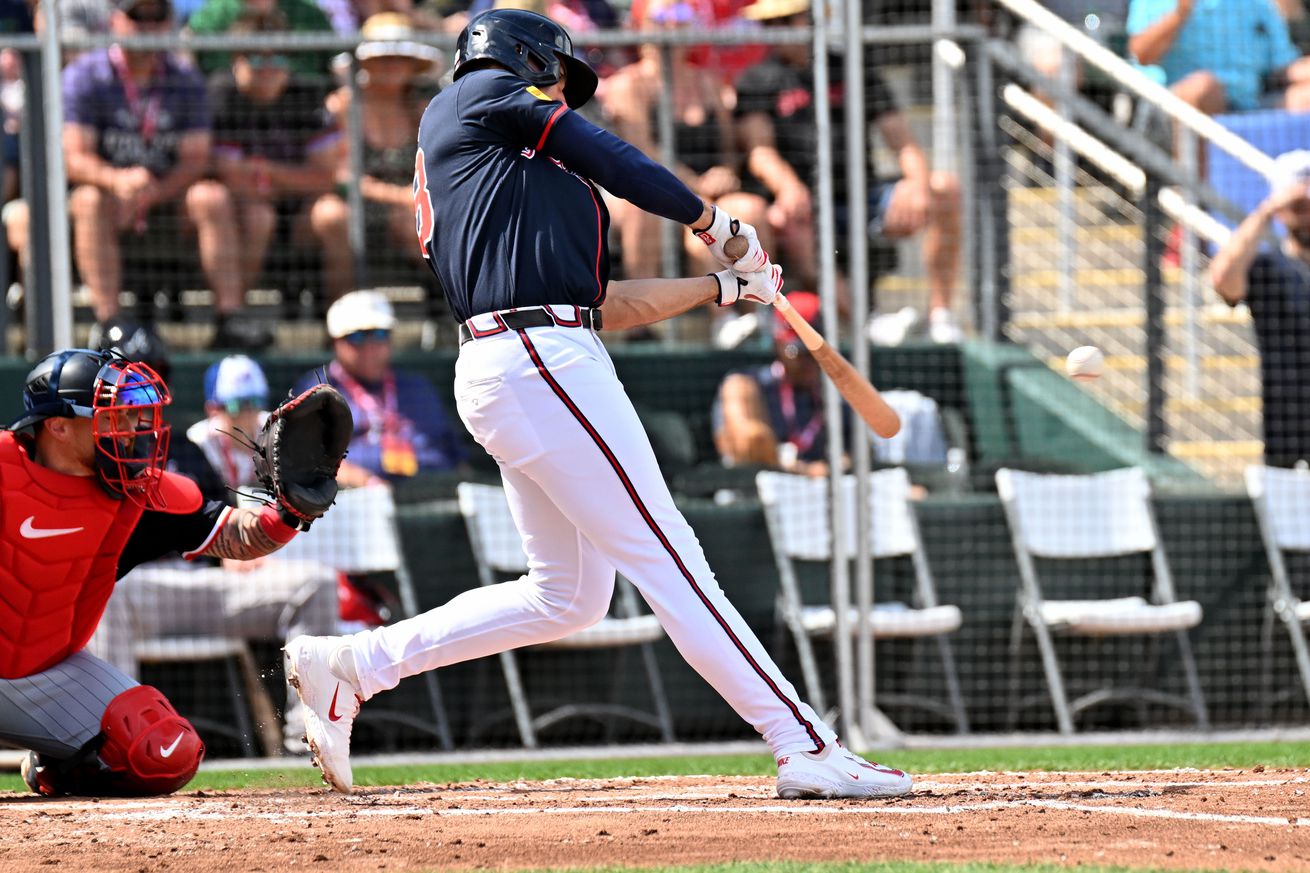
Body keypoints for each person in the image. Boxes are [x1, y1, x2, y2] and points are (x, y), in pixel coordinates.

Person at [283, 7, 911, 800]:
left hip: (529, 355)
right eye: (549, 76)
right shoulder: (471, 98)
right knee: (669, 553)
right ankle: (802, 740)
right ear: (512, 58)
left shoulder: (512, 176)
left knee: (568, 595)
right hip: (536, 360)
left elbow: (598, 301)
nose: (557, 95)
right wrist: (716, 223)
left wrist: (722, 287)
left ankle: (354, 666)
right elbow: (611, 156)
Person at [0, 346, 341, 797]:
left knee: (163, 753)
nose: (130, 428)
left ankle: (56, 766)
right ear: (58, 426)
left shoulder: (133, 490)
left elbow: (238, 536)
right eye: (112, 416)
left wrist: (291, 513)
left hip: (46, 671)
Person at [83, 342, 340, 754]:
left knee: (315, 583)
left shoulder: (182, 449)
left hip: (204, 587)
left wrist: (287, 513)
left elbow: (225, 523)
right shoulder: (85, 456)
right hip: (140, 589)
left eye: (153, 377)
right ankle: (114, 742)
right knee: (108, 592)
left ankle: (309, 738)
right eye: (129, 385)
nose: (141, 399)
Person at [734, 0, 963, 346]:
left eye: (787, 19)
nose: (779, 30)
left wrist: (917, 186)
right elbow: (759, 151)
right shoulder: (756, 79)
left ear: (810, 20)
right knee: (791, 219)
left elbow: (903, 143)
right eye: (771, 23)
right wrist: (789, 187)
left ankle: (941, 316)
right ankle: (865, 323)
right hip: (802, 205)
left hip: (862, 195)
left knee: (944, 188)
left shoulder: (852, 67)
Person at [62, 0, 268, 349]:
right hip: (111, 196)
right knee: (88, 199)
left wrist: (153, 191)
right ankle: (109, 324)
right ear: (115, 20)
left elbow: (196, 158)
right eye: (137, 15)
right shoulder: (85, 74)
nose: (148, 25)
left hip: (169, 198)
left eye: (157, 16)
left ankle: (228, 318)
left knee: (212, 196)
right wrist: (118, 181)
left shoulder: (185, 78)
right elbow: (73, 158)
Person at [599, 0, 773, 342]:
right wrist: (694, 186)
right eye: (663, 16)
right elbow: (641, 151)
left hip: (706, 191)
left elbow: (726, 146)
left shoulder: (707, 83)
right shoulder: (628, 85)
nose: (673, 25)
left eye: (682, 15)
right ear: (640, 26)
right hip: (647, 191)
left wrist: (724, 171)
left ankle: (754, 319)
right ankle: (642, 328)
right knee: (646, 216)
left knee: (752, 211)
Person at [208, 9, 342, 303]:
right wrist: (290, 178)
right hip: (242, 212)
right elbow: (230, 177)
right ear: (236, 60)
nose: (268, 67)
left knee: (333, 213)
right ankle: (233, 319)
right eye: (256, 57)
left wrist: (263, 168)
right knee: (259, 216)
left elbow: (325, 179)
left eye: (279, 56)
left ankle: (343, 325)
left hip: (298, 214)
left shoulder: (306, 94)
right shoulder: (222, 95)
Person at [310, 13, 442, 298]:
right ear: (365, 62)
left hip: (412, 210)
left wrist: (414, 200)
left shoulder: (422, 107)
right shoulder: (342, 105)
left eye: (401, 57)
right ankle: (343, 317)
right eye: (383, 57)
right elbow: (340, 175)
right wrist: (401, 196)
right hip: (356, 207)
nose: (392, 65)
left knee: (418, 222)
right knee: (331, 216)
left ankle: (446, 311)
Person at [292, 290, 467, 485]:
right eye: (356, 337)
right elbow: (303, 459)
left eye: (379, 334)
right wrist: (362, 481)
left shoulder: (418, 387)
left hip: (435, 492)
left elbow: (457, 459)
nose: (370, 346)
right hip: (359, 501)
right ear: (335, 342)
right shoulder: (319, 388)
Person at [1208, 148, 1310, 469]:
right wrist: (1266, 211)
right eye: (1296, 206)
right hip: (1288, 428)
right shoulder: (1267, 268)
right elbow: (1223, 280)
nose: (1305, 211)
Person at [713, 291, 832, 476]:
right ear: (778, 343)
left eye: (814, 354)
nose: (808, 362)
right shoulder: (746, 385)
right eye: (797, 352)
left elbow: (857, 453)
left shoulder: (834, 395)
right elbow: (748, 445)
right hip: (755, 493)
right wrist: (804, 470)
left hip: (820, 496)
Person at [1127, 0, 1310, 114]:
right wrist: (1180, 12)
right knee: (1204, 88)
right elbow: (1141, 54)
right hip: (1174, 109)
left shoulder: (1260, 3)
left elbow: (1284, 65)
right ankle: (1191, 177)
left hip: (1250, 104)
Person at [186, 0, 333, 76]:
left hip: (299, 98)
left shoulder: (305, 9)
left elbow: (338, 59)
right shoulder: (219, 10)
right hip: (232, 101)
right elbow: (185, 43)